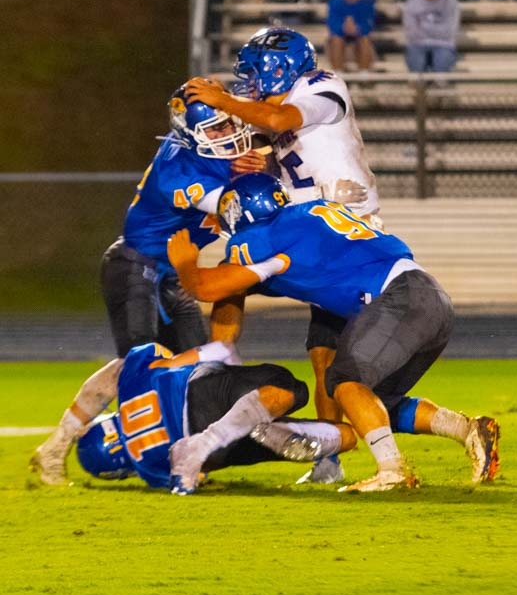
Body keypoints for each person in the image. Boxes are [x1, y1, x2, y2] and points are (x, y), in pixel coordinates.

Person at [167, 173, 501, 492]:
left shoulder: (263, 235)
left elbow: (206, 287)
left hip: (398, 297)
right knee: (373, 403)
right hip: (430, 297)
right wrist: (222, 339)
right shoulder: (309, 215)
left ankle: (392, 471)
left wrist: (185, 264)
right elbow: (239, 284)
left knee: (344, 381)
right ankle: (468, 429)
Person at [29, 87, 254, 485]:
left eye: (227, 125)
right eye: (216, 129)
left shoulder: (206, 153)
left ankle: (189, 455)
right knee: (135, 366)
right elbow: (236, 207)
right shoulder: (178, 169)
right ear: (191, 133)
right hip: (136, 266)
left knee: (199, 368)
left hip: (169, 275)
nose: (227, 135)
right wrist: (255, 172)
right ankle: (56, 447)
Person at [186, 27, 381, 485]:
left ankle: (335, 455)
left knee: (335, 362)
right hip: (309, 232)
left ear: (280, 68)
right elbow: (281, 148)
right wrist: (263, 164)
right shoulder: (280, 109)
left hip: (345, 240)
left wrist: (223, 100)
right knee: (311, 343)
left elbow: (278, 119)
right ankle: (219, 359)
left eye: (254, 73)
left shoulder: (322, 88)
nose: (248, 83)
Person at [68, 343, 356, 493]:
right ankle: (221, 433)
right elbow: (171, 359)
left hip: (216, 452)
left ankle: (221, 438)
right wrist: (214, 355)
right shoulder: (130, 384)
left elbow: (200, 474)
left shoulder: (148, 470)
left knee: (346, 437)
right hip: (199, 393)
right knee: (293, 389)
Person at [403, 0, 460, 74]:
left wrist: (424, 26)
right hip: (418, 44)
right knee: (415, 59)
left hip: (443, 45)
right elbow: (411, 33)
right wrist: (436, 30)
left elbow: (450, 31)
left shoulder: (452, 3)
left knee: (442, 59)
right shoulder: (411, 4)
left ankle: (440, 82)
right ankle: (417, 82)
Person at [327, 0, 377, 73]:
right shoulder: (335, 2)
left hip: (360, 34)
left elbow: (369, 23)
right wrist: (343, 27)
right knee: (335, 39)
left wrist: (357, 28)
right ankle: (338, 72)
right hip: (341, 34)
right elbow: (332, 23)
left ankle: (364, 72)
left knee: (365, 39)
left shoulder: (367, 2)